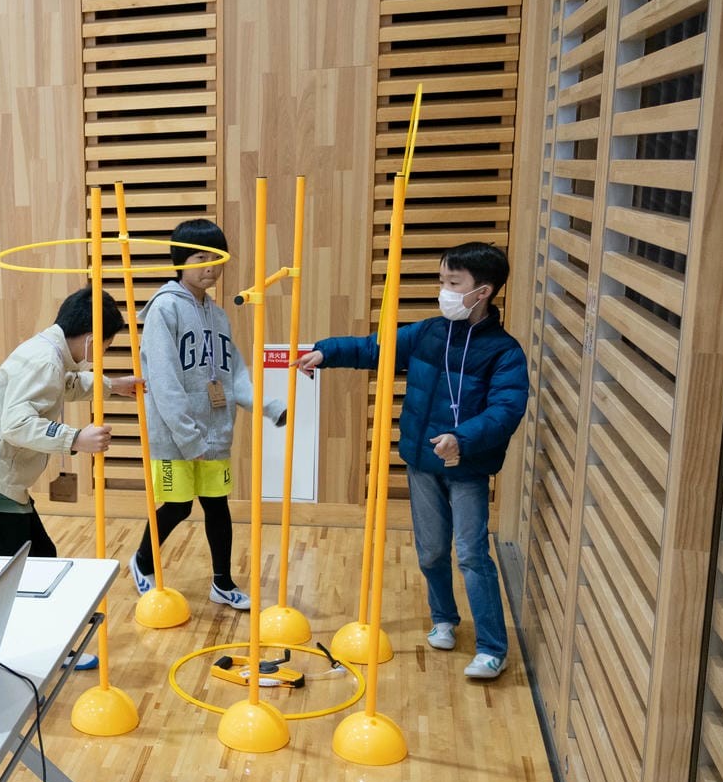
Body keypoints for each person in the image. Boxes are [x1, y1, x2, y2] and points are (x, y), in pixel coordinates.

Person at [295, 241, 526, 680]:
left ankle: (492, 647)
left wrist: (461, 438)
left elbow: (506, 409)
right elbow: (374, 348)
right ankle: (444, 619)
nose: (444, 291)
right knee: (432, 550)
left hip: (466, 468)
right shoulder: (429, 333)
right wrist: (326, 352)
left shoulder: (504, 352)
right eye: (442, 281)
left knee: (471, 553)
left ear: (483, 292)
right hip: (422, 463)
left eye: (453, 283)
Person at [0, 286, 142, 666]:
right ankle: (24, 652)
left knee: (40, 561)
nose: (102, 354)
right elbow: (17, 424)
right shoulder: (44, 360)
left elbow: (63, 385)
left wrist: (111, 386)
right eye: (105, 346)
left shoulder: (48, 352)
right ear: (91, 340)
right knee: (21, 576)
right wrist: (75, 439)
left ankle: (41, 646)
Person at [128, 218, 275, 611]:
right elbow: (164, 381)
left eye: (216, 258)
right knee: (178, 506)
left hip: (215, 433)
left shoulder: (218, 315)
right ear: (180, 260)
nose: (211, 267)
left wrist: (267, 406)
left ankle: (222, 583)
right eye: (200, 258)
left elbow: (234, 373)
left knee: (217, 505)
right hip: (175, 436)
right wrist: (189, 437)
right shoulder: (164, 309)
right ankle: (142, 561)